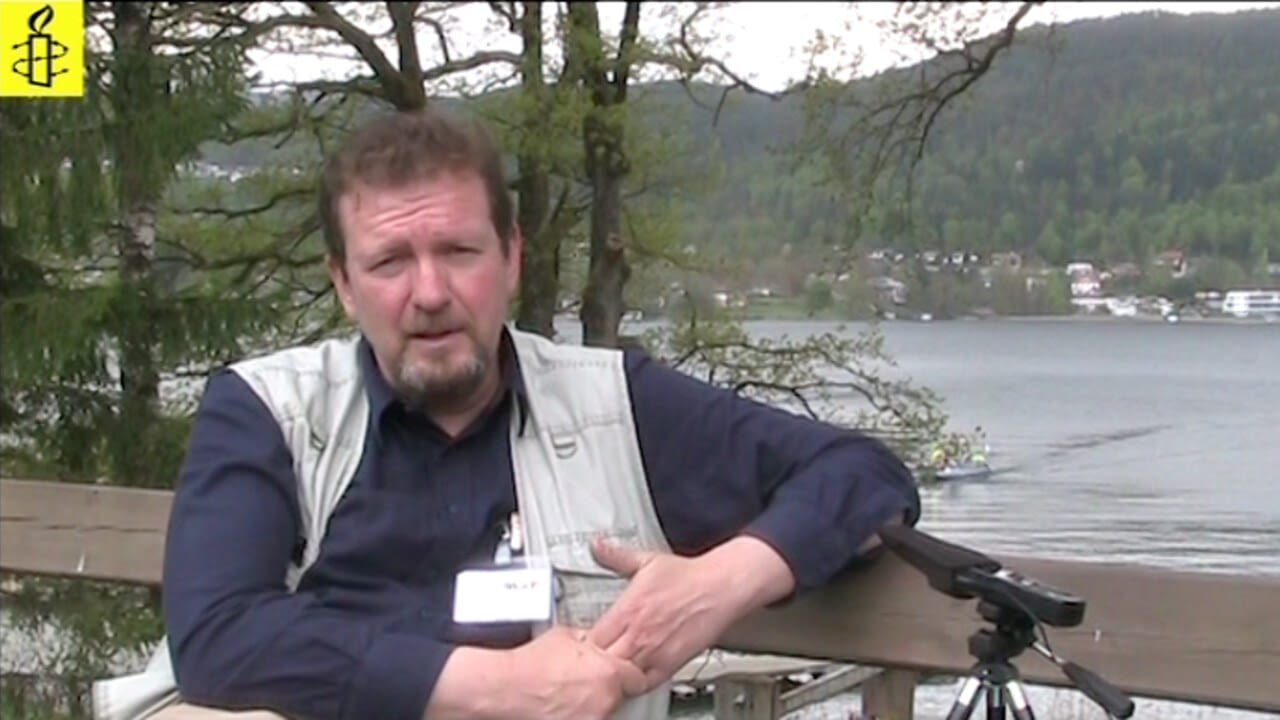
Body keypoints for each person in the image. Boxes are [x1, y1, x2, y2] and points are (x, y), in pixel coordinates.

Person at [133, 107, 919, 720]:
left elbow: (865, 476)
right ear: (344, 284)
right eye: (391, 262)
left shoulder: (616, 406)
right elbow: (217, 635)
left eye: (459, 252)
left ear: (511, 258)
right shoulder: (271, 411)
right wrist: (500, 687)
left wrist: (718, 584)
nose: (430, 293)